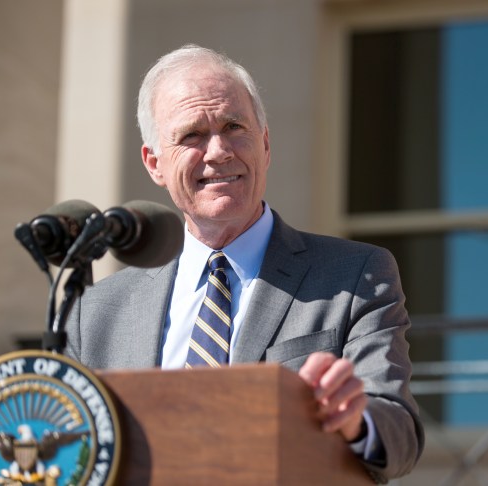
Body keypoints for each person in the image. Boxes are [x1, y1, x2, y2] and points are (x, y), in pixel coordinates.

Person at [65, 44, 423, 482]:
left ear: (265, 144)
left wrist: (354, 420)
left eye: (234, 126)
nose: (218, 151)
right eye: (192, 135)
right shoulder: (97, 313)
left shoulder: (357, 274)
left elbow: (399, 430)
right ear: (155, 163)